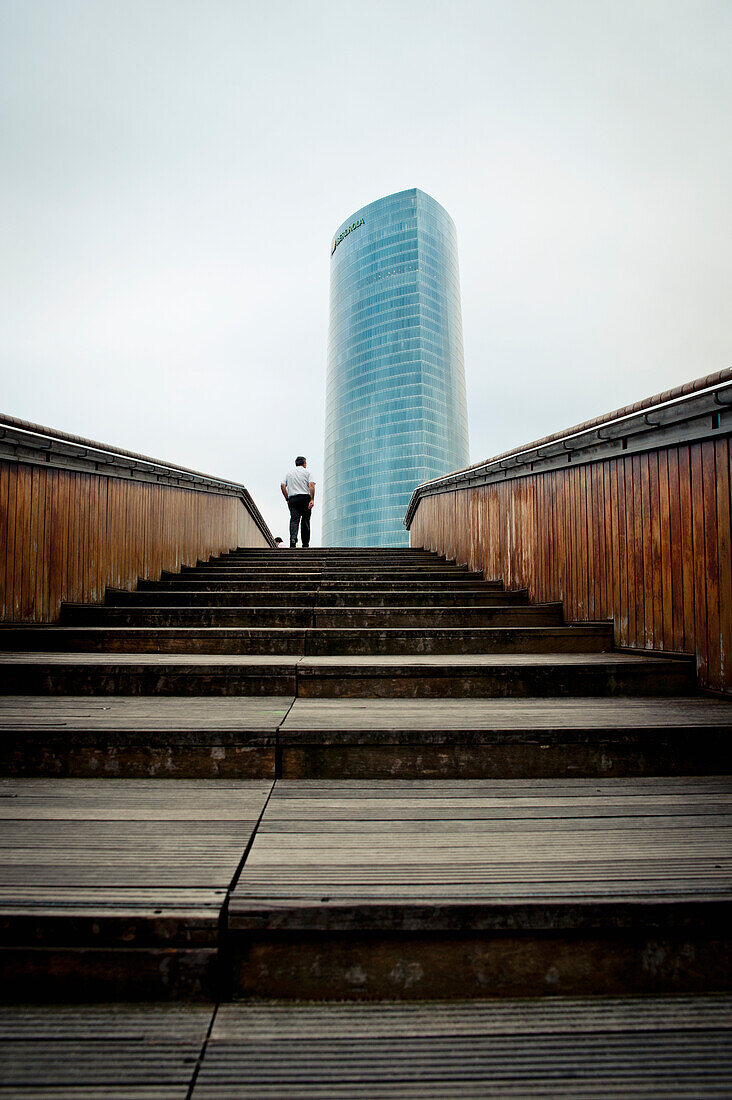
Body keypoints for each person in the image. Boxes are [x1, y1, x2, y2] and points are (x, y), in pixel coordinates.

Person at [281, 456, 315, 548]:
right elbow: (311, 485)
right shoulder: (308, 472)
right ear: (304, 464)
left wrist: (287, 498)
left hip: (293, 499)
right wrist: (312, 499)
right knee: (305, 521)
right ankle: (305, 543)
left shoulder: (289, 473)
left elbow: (283, 485)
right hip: (305, 498)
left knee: (294, 520)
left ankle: (293, 540)